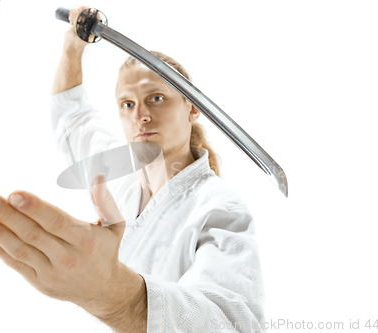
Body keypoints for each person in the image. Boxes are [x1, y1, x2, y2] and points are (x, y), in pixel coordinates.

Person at [50, 6, 267, 332]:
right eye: (128, 104)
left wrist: (112, 293)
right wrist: (72, 45)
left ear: (192, 107)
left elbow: (229, 322)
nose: (141, 116)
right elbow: (73, 116)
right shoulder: (118, 173)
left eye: (156, 98)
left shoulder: (219, 208)